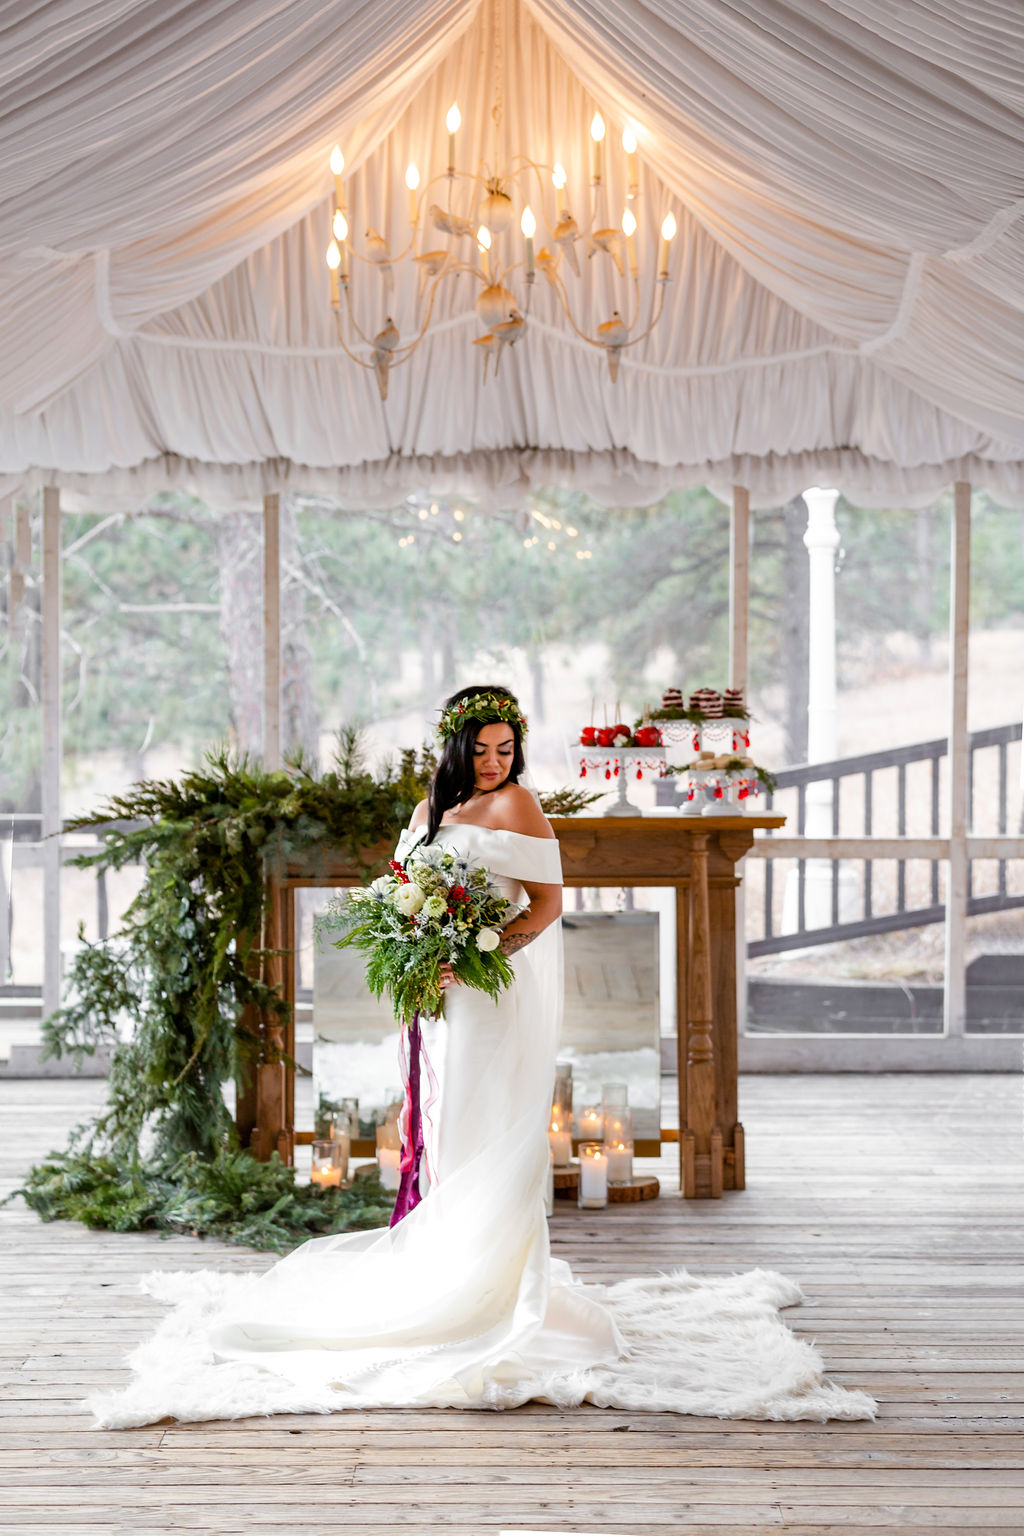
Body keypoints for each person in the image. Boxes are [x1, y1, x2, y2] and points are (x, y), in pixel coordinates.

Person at [90, 687, 875, 1428]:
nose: (495, 761)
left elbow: (548, 904)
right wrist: (413, 950)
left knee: (482, 1116)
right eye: (484, 748)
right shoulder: (433, 805)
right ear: (457, 746)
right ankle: (440, 1267)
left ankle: (491, 1292)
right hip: (435, 991)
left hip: (491, 988)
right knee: (437, 1114)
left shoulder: (520, 805)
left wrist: (479, 951)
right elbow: (403, 883)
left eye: (506, 748)